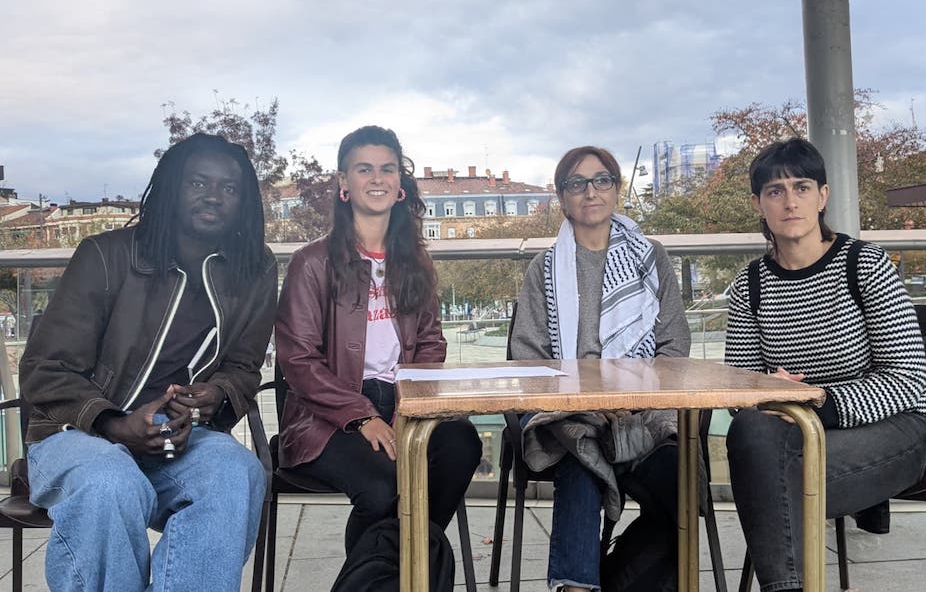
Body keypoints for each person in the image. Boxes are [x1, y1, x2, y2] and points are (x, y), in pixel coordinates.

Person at [20, 133, 277, 592]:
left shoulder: (254, 270)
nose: (214, 196)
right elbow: (46, 368)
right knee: (109, 482)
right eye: (199, 183)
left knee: (236, 472)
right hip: (75, 434)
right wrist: (114, 423)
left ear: (244, 203)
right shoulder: (106, 255)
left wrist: (213, 395)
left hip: (176, 441)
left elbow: (242, 367)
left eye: (230, 188)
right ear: (173, 186)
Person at [725, 138, 926, 592]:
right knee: (750, 434)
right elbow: (738, 388)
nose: (790, 201)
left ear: (822, 196)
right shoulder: (750, 285)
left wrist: (817, 400)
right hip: (799, 433)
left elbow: (908, 380)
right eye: (775, 191)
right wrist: (763, 390)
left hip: (895, 428)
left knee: (777, 474)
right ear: (759, 205)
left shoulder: (864, 264)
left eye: (801, 187)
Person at [275, 125, 481, 555]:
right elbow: (298, 360)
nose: (377, 178)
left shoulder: (414, 261)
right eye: (363, 168)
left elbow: (429, 344)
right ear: (343, 182)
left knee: (462, 444)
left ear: (399, 184)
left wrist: (412, 408)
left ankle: (400, 571)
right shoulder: (311, 263)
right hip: (328, 416)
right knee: (384, 484)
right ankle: (388, 578)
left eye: (387, 169)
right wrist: (361, 415)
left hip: (404, 401)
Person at [509, 146, 691, 592]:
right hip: (570, 414)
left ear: (616, 189)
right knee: (581, 457)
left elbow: (674, 347)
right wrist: (586, 401)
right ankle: (575, 588)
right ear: (562, 197)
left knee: (682, 490)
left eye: (601, 180)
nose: (590, 191)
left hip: (645, 410)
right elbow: (528, 359)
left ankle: (607, 580)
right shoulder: (544, 269)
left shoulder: (651, 258)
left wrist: (632, 399)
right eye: (577, 183)